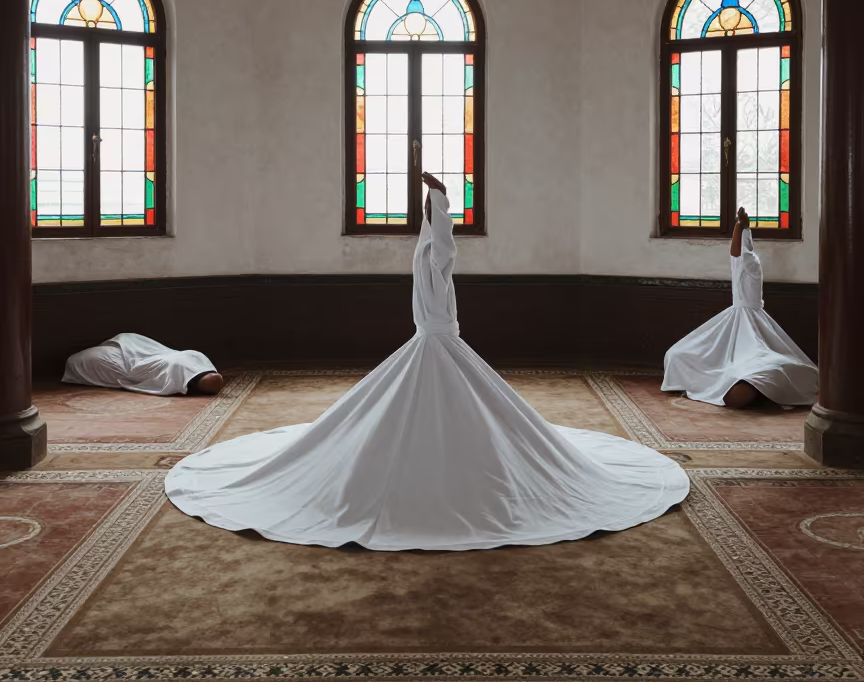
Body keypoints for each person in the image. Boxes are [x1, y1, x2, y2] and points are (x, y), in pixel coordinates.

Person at [165, 173, 688, 551]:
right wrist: (430, 202)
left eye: (433, 217)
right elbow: (435, 236)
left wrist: (439, 196)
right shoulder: (424, 249)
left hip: (440, 341)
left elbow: (445, 240)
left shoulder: (439, 253)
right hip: (425, 342)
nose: (429, 223)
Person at [662, 207, 818, 409]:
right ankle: (745, 387)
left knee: (755, 358)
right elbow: (735, 255)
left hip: (749, 314)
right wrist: (741, 226)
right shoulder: (747, 262)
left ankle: (753, 387)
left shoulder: (750, 262)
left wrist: (740, 225)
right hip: (739, 313)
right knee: (679, 354)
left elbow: (735, 254)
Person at [63, 333, 224, 397]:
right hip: (146, 350)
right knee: (128, 340)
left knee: (84, 359)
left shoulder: (174, 368)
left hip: (148, 363)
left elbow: (143, 372)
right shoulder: (194, 356)